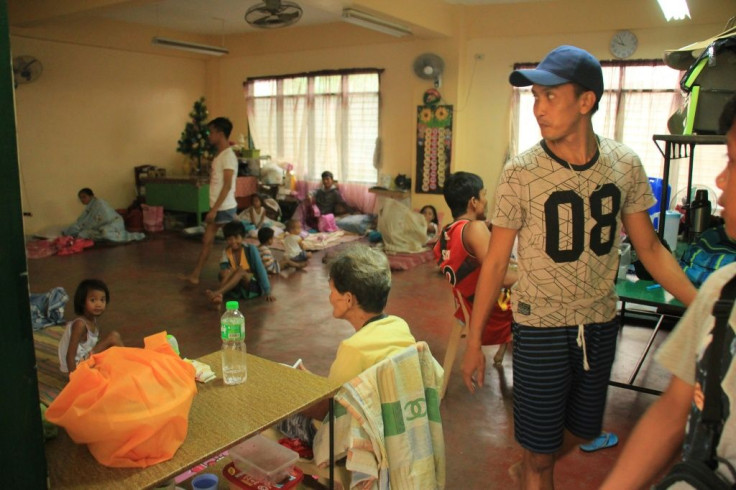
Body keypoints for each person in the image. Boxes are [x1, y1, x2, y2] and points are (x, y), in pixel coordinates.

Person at [459, 45, 697, 490]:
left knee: (584, 430)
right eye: (534, 98)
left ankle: (533, 464)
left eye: (550, 96)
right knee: (541, 458)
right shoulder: (520, 172)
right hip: (539, 325)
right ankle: (535, 468)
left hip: (599, 322)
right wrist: (474, 341)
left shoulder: (624, 164)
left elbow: (649, 248)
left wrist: (703, 308)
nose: (538, 108)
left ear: (586, 101)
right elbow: (494, 262)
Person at [601, 96, 736, 489]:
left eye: (731, 162)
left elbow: (650, 247)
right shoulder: (722, 291)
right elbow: (674, 409)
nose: (721, 180)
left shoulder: (623, 166)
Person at [278, 244, 416, 442]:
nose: (330, 297)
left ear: (349, 299)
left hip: (355, 440)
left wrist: (291, 391)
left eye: (333, 290)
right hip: (394, 428)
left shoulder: (354, 349)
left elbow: (329, 410)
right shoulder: (399, 327)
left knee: (276, 409)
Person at [434, 172, 517, 365]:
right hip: (493, 314)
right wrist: (531, 273)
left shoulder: (447, 233)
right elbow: (501, 279)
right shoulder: (475, 229)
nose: (486, 200)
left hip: (466, 308)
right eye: (484, 195)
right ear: (473, 201)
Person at [182, 117, 238, 285]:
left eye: (211, 132)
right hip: (219, 207)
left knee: (233, 243)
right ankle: (195, 275)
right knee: (207, 241)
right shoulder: (220, 155)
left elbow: (227, 185)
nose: (209, 136)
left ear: (220, 134)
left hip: (224, 207)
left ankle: (239, 274)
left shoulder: (228, 156)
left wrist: (214, 210)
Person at [58, 279, 123, 373]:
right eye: (93, 300)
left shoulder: (93, 322)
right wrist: (74, 379)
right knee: (113, 337)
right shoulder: (80, 324)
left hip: (85, 360)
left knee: (112, 350)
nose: (98, 304)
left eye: (102, 300)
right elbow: (70, 356)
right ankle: (130, 363)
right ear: (82, 302)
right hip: (76, 367)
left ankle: (127, 363)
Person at [205, 221, 275, 304]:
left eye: (236, 237)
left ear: (242, 237)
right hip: (237, 285)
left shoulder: (250, 249)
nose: (233, 241)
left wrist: (268, 290)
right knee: (224, 272)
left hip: (253, 285)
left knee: (240, 271)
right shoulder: (226, 251)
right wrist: (227, 271)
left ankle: (217, 293)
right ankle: (220, 296)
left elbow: (260, 269)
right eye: (229, 239)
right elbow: (224, 270)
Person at [62, 188, 145, 243]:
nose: (82, 200)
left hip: (114, 223)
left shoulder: (99, 203)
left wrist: (85, 225)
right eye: (80, 198)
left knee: (105, 232)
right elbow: (83, 220)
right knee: (82, 232)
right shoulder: (90, 206)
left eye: (84, 197)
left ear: (91, 196)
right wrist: (80, 226)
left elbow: (105, 217)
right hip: (100, 226)